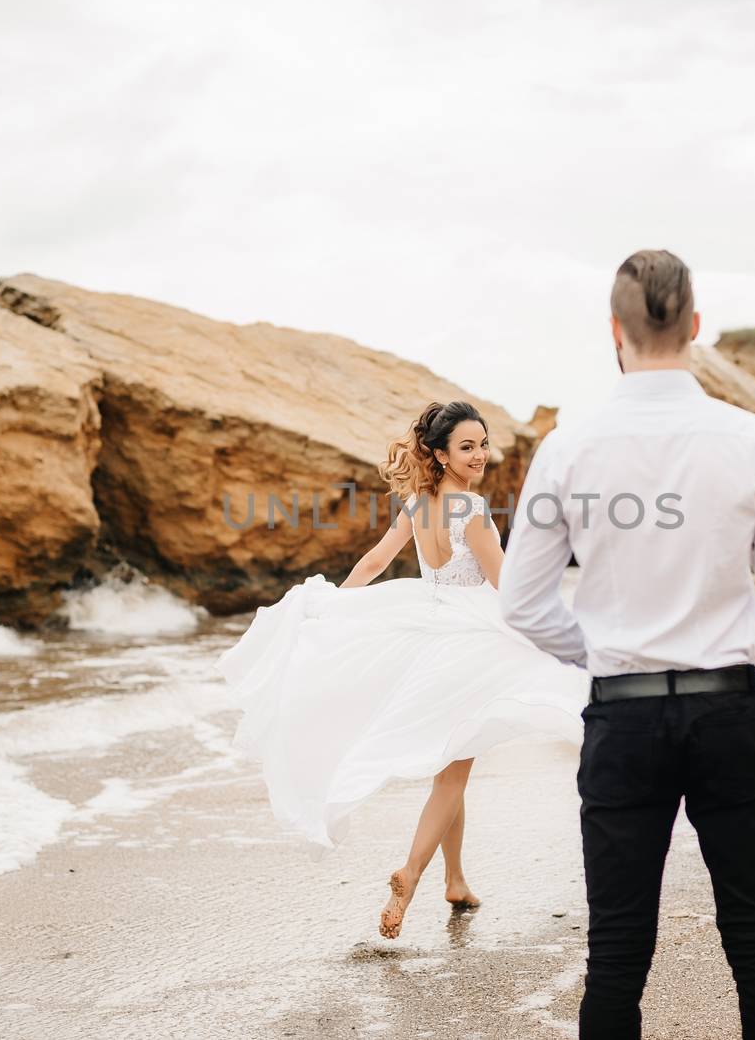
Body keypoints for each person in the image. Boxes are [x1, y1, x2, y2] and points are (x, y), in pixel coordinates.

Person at [499, 249, 755, 1039]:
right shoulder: (754, 441)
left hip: (623, 721)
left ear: (614, 330)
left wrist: (605, 657)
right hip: (730, 713)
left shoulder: (569, 448)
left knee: (615, 954)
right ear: (696, 328)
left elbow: (521, 601)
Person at [214, 400, 589, 940]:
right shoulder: (474, 511)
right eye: (467, 446)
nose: (480, 455)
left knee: (453, 760)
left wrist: (335, 609)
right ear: (439, 453)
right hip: (471, 641)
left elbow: (373, 563)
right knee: (454, 771)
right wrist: (563, 634)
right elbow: (509, 589)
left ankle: (455, 879)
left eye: (483, 444)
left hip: (428, 630)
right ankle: (410, 876)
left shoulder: (419, 503)